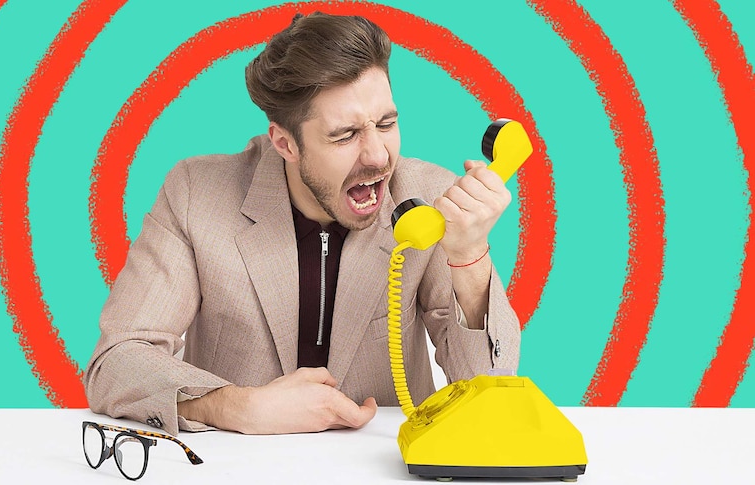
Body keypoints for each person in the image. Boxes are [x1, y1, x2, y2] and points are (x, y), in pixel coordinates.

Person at [84, 12, 520, 436]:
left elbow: (490, 386)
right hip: (236, 466)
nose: (378, 156)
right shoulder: (196, 193)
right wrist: (235, 406)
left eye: (386, 124)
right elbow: (116, 362)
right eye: (344, 135)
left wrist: (469, 257)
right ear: (285, 143)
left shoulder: (428, 199)